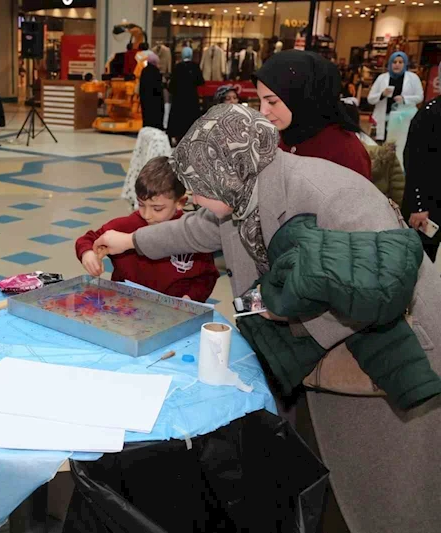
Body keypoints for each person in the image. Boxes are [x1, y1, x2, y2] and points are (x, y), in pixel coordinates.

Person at [93, 104, 441, 533]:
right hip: (331, 352)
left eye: (198, 187)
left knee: (388, 487)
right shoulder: (244, 189)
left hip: (394, 355)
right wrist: (132, 240)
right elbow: (195, 230)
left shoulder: (327, 192)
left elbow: (386, 283)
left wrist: (285, 310)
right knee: (329, 470)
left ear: (224, 171)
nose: (194, 199)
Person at [76, 156, 218, 302]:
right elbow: (88, 239)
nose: (147, 215)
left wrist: (189, 298)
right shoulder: (125, 226)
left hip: (172, 310)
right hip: (124, 306)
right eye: (141, 204)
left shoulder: (192, 234)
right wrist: (88, 254)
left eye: (157, 208)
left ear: (180, 202)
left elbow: (207, 276)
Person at [253, 50, 371, 179]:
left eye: (272, 102)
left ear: (303, 97)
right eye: (260, 100)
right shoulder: (277, 137)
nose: (263, 111)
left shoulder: (345, 153)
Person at [403, 65, 441, 261]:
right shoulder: (429, 113)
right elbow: (414, 161)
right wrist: (418, 205)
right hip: (428, 205)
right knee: (421, 261)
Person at [367, 51, 424, 142]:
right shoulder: (381, 78)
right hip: (383, 118)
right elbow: (370, 99)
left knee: (399, 143)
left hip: (403, 118)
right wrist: (382, 94)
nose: (397, 65)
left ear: (405, 64)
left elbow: (420, 97)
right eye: (394, 62)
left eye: (400, 62)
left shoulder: (413, 78)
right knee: (381, 145)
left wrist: (404, 99)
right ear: (390, 63)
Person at [167, 46, 204, 144]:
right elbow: (200, 81)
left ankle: (178, 137)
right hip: (191, 98)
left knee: (179, 119)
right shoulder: (195, 67)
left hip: (179, 99)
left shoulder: (178, 67)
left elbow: (172, 84)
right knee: (191, 119)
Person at [139, 52, 164, 130]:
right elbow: (158, 88)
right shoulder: (156, 72)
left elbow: (141, 86)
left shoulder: (144, 71)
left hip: (145, 99)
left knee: (147, 118)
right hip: (155, 101)